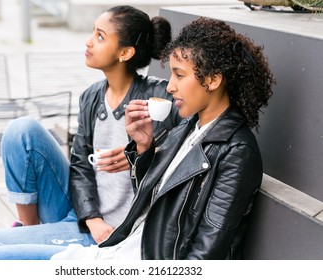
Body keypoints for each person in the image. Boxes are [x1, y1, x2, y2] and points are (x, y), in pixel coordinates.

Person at [0, 5, 181, 260]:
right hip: (85, 217)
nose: (89, 41)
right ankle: (32, 232)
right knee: (22, 130)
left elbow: (190, 145)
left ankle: (38, 242)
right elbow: (81, 165)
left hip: (114, 233)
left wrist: (141, 153)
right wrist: (91, 217)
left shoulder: (159, 99)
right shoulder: (92, 96)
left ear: (125, 53)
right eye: (93, 32)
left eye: (100, 36)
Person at [51, 16, 275, 260]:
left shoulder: (236, 151)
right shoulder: (187, 129)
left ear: (212, 80)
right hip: (121, 250)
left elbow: (206, 253)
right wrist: (144, 148)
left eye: (179, 75)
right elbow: (149, 203)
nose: (169, 86)